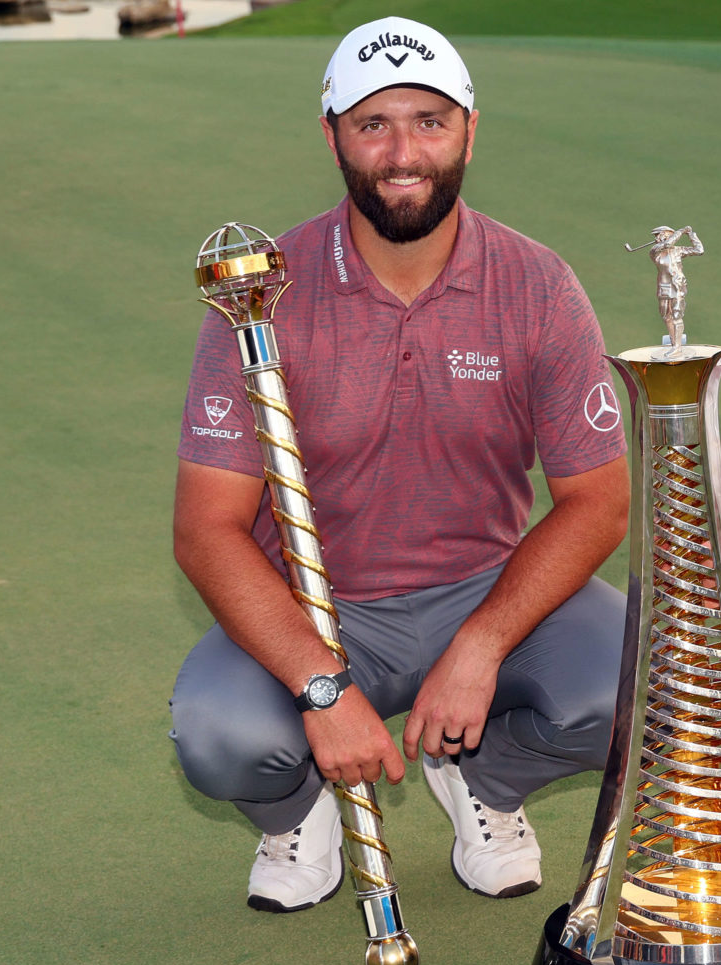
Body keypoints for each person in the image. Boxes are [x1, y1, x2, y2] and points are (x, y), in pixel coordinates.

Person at [168, 16, 629, 912]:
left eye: (428, 121)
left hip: (482, 589)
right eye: (373, 124)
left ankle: (484, 782)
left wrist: (483, 644)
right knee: (219, 737)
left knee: (634, 691)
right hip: (316, 602)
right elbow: (206, 529)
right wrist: (321, 683)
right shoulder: (260, 289)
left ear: (469, 128)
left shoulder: (537, 284)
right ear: (333, 135)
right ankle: (300, 811)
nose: (402, 151)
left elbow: (596, 504)